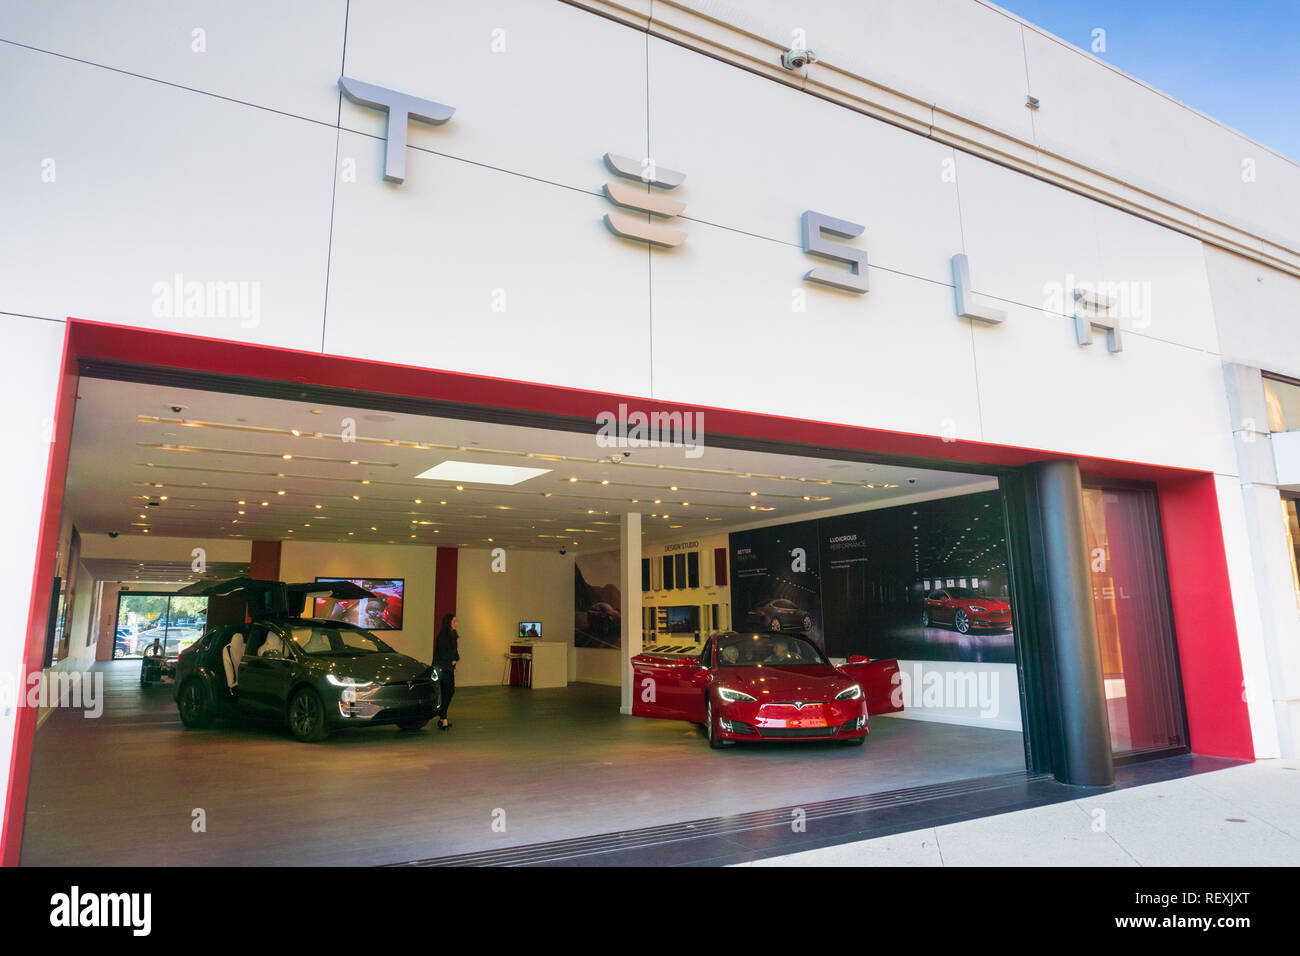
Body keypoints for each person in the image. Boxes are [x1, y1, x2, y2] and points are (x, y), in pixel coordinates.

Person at [432, 613, 460, 730]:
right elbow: (443, 653)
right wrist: (452, 660)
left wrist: (455, 658)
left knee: (450, 691)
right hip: (442, 667)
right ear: (448, 622)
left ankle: (442, 716)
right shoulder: (443, 636)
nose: (455, 623)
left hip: (448, 667)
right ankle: (443, 719)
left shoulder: (452, 635)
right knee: (446, 692)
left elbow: (454, 651)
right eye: (454, 621)